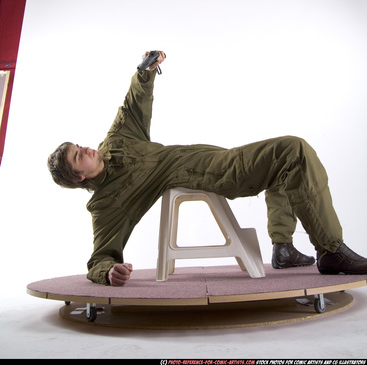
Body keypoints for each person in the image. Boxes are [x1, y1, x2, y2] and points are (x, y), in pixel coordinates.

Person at [48, 51, 367, 286]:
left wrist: (144, 71)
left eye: (80, 146)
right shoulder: (107, 204)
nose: (87, 149)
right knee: (293, 151)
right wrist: (107, 271)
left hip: (211, 158)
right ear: (80, 176)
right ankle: (331, 249)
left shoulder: (115, 141)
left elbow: (133, 104)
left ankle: (283, 247)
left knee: (282, 165)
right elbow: (98, 257)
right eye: (79, 156)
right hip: (216, 173)